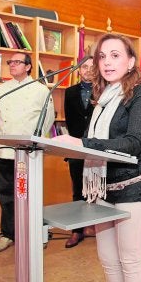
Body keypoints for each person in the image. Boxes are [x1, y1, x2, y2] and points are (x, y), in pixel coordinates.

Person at [52, 33, 141, 282]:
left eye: (115, 55)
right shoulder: (103, 96)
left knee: (130, 259)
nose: (107, 62)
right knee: (108, 260)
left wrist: (82, 144)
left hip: (135, 188)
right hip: (101, 187)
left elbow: (134, 142)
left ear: (131, 61)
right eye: (102, 56)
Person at [0, 52, 55, 253]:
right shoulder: (0, 90)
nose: (12, 65)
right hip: (4, 151)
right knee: (6, 195)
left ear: (28, 67)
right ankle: (8, 234)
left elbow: (48, 119)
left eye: (17, 62)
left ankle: (37, 233)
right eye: (10, 62)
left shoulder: (40, 90)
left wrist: (34, 141)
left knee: (31, 195)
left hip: (28, 153)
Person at [63, 55, 96, 248]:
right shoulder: (69, 92)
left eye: (93, 67)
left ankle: (99, 228)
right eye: (84, 67)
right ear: (78, 70)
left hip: (98, 148)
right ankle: (78, 231)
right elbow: (69, 120)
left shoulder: (105, 91)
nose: (88, 70)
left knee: (99, 191)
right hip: (76, 148)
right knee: (78, 191)